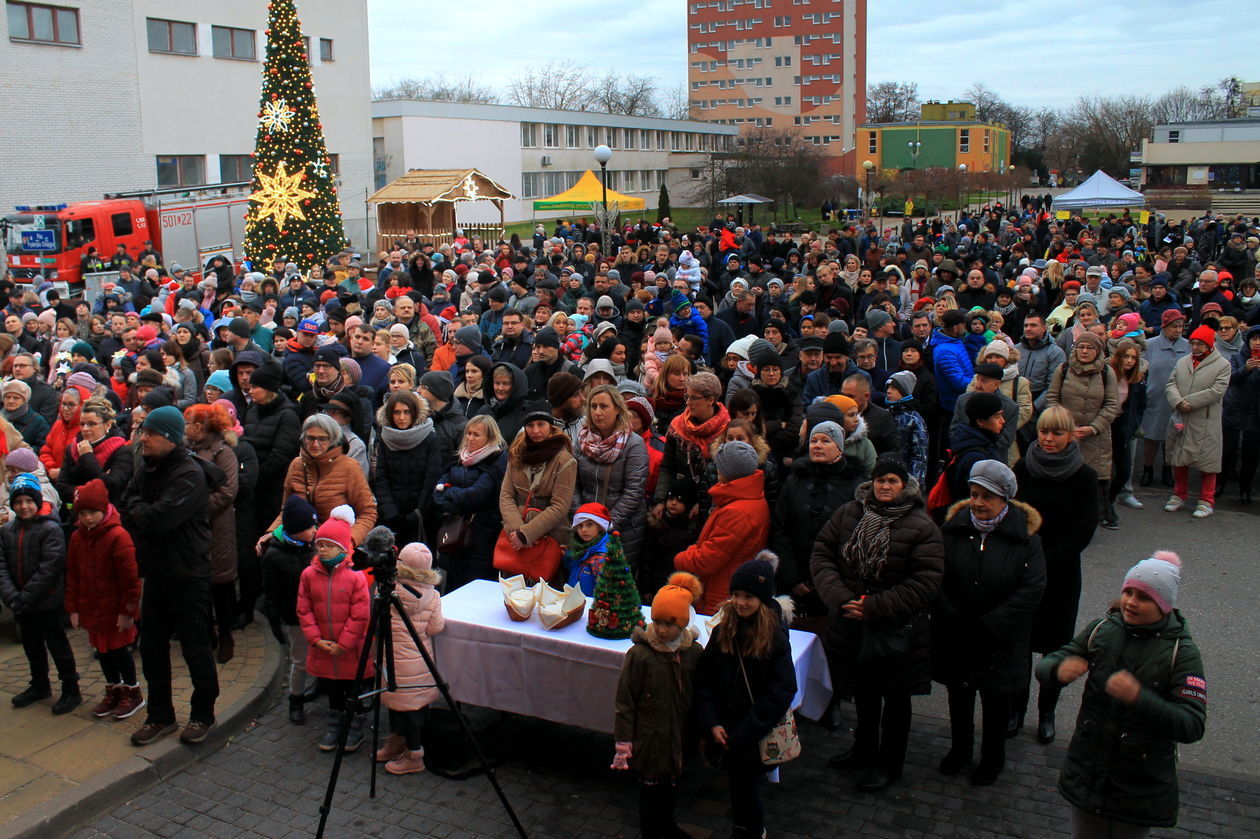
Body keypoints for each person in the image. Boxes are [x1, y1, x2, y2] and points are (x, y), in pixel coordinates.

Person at [1036, 551, 1206, 838]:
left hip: (1139, 785)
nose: (1130, 602)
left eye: (1144, 597)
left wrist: (1140, 698)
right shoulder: (1103, 629)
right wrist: (1057, 670)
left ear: (1164, 604)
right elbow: (1048, 665)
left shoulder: (1182, 653)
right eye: (1128, 591)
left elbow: (1192, 724)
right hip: (1088, 772)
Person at [811, 457, 944, 792]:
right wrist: (841, 598)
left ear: (905, 486)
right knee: (865, 693)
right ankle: (863, 750)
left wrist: (874, 607)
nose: (885, 487)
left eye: (892, 481)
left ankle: (890, 765)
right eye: (880, 481)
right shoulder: (849, 513)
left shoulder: (922, 526)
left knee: (896, 701)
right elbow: (823, 554)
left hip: (896, 630)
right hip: (853, 623)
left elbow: (924, 583)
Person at [934, 460, 1046, 786]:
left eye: (987, 496)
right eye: (974, 494)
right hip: (958, 632)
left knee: (996, 701)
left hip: (1000, 638)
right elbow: (937, 575)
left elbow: (1032, 589)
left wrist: (990, 623)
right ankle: (960, 751)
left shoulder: (1025, 538)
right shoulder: (953, 529)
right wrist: (951, 614)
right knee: (960, 696)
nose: (978, 503)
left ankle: (992, 758)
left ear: (1005, 498)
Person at [123, 406, 222, 747]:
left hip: (188, 575)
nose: (142, 438)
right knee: (152, 648)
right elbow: (128, 501)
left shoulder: (189, 474)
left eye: (148, 433)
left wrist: (141, 512)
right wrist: (142, 511)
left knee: (196, 648)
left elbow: (159, 519)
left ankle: (202, 713)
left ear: (168, 437)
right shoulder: (148, 468)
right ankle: (160, 715)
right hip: (157, 573)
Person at [1011, 407, 1099, 743]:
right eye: (1044, 432)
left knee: (1055, 648)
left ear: (1070, 436)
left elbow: (1083, 529)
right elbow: (1013, 514)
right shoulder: (1024, 468)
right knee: (1019, 645)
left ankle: (1046, 712)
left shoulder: (1084, 476)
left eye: (1056, 433)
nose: (1048, 439)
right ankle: (1015, 709)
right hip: (1023, 569)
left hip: (1061, 574)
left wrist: (1047, 559)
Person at [694, 554, 797, 839]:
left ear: (762, 599)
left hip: (753, 731)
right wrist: (711, 721)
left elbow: (782, 689)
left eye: (748, 596)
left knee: (746, 790)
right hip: (725, 723)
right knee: (737, 784)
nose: (740, 602)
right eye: (736, 595)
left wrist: (746, 730)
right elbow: (705, 678)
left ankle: (749, 832)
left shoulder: (774, 636)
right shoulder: (723, 630)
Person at [612, 572, 705, 839]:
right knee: (650, 791)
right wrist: (624, 740)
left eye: (669, 624)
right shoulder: (640, 655)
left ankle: (667, 825)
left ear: (683, 624)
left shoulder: (693, 654)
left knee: (671, 786)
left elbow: (698, 695)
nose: (662, 629)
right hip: (649, 739)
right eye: (657, 622)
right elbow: (625, 700)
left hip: (678, 737)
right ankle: (650, 831)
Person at [64, 478, 144, 720]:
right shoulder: (78, 538)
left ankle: (132, 691)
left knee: (120, 652)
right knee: (103, 652)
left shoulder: (119, 537)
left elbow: (131, 581)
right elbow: (73, 575)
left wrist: (128, 611)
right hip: (93, 610)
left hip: (115, 610)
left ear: (104, 510)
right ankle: (113, 689)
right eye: (84, 513)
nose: (88, 518)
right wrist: (74, 609)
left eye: (93, 512)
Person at [0, 473, 79, 714]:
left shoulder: (50, 529)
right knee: (32, 646)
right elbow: (1, 565)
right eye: (18, 502)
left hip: (47, 600)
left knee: (58, 646)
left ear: (37, 501)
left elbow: (50, 568)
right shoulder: (7, 531)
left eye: (28, 501)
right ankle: (39, 684)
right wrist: (12, 596)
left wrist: (23, 597)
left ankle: (71, 688)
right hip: (21, 603)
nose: (23, 506)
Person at [297, 505, 372, 753]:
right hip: (324, 647)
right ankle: (335, 724)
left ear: (342, 547)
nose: (322, 549)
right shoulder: (308, 575)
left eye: (328, 545)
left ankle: (355, 724)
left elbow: (360, 614)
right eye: (319, 545)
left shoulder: (355, 576)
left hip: (349, 648)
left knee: (353, 687)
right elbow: (304, 609)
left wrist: (345, 643)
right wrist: (316, 640)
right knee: (332, 689)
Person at [673, 441, 770, 614]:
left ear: (730, 471)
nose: (716, 467)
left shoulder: (737, 511)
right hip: (724, 585)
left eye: (720, 464)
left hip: (720, 593)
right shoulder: (747, 498)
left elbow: (708, 559)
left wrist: (681, 558)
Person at [374, 542, 445, 776]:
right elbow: (436, 628)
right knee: (413, 708)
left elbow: (374, 619)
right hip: (419, 662)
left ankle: (413, 755)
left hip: (392, 658)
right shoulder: (433, 595)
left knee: (397, 701)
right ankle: (404, 745)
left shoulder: (387, 589)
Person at [260, 414, 378, 551]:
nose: (315, 444)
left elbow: (368, 512)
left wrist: (348, 542)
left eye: (322, 439)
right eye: (310, 438)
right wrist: (272, 532)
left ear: (333, 440)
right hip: (298, 547)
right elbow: (287, 510)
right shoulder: (296, 465)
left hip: (335, 549)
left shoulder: (349, 467)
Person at [183, 403, 240, 664]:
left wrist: (195, 508)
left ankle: (226, 634)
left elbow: (227, 493)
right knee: (198, 585)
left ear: (198, 427)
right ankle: (207, 633)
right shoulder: (188, 450)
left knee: (221, 584)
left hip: (216, 528)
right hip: (193, 529)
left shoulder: (223, 453)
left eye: (188, 423)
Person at [573, 385, 649, 568]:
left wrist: (605, 524)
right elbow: (573, 484)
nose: (597, 412)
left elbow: (634, 491)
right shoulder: (582, 440)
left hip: (622, 530)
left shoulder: (633, 444)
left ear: (617, 409)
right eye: (593, 406)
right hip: (585, 528)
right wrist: (582, 519)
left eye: (604, 406)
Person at [260, 494, 320, 725]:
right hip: (294, 617)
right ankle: (296, 699)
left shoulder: (314, 547)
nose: (315, 529)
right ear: (295, 529)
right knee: (300, 659)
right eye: (309, 526)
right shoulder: (273, 556)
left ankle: (320, 685)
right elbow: (270, 592)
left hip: (319, 613)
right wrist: (275, 620)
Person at [1163, 323, 1231, 518]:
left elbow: (1217, 390)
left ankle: (1206, 500)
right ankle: (1178, 495)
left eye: (1200, 344)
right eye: (1193, 343)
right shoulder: (1183, 362)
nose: (1195, 347)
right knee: (1180, 458)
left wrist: (1189, 402)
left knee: (1208, 462)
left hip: (1206, 420)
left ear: (1209, 345)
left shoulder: (1223, 365)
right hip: (1182, 417)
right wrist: (1177, 401)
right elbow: (1171, 383)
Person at [433, 416, 508, 590]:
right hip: (456, 538)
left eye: (476, 435)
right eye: (469, 433)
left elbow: (476, 495)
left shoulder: (497, 461)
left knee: (477, 588)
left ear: (489, 438)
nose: (470, 438)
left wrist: (449, 490)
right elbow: (437, 493)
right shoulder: (459, 459)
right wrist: (453, 498)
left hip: (482, 538)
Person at [498, 411, 577, 576]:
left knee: (549, 593)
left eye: (541, 424)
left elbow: (560, 506)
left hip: (552, 536)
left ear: (550, 426)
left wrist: (527, 534)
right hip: (516, 537)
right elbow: (506, 496)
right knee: (514, 590)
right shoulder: (516, 455)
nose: (535, 430)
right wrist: (517, 531)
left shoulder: (565, 460)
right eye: (530, 425)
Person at [652, 372, 730, 518]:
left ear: (710, 400)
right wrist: (661, 500)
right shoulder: (677, 426)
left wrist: (705, 503)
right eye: (686, 396)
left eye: (694, 398)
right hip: (678, 502)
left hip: (711, 507)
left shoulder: (727, 431)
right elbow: (668, 467)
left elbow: (726, 478)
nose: (688, 402)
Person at [372, 390, 442, 546]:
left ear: (414, 412)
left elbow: (432, 478)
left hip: (421, 517)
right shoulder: (386, 438)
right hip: (392, 515)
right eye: (397, 412)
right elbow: (381, 478)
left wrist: (418, 512)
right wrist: (390, 511)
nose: (401, 417)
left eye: (406, 412)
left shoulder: (429, 438)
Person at [1139, 311, 1189, 488]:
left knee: (1173, 436)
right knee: (1151, 435)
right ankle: (1148, 469)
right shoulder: (1150, 345)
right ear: (1165, 326)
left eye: (1181, 327)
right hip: (1155, 396)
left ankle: (1167, 470)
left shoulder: (1188, 346)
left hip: (1178, 399)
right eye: (1174, 327)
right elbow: (1140, 369)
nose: (1178, 330)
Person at [563, 503, 614, 596]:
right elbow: (570, 567)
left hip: (592, 605)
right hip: (573, 600)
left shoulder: (603, 556)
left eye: (589, 525)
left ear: (600, 526)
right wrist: (567, 554)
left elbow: (607, 589)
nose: (584, 530)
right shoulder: (577, 549)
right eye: (580, 526)